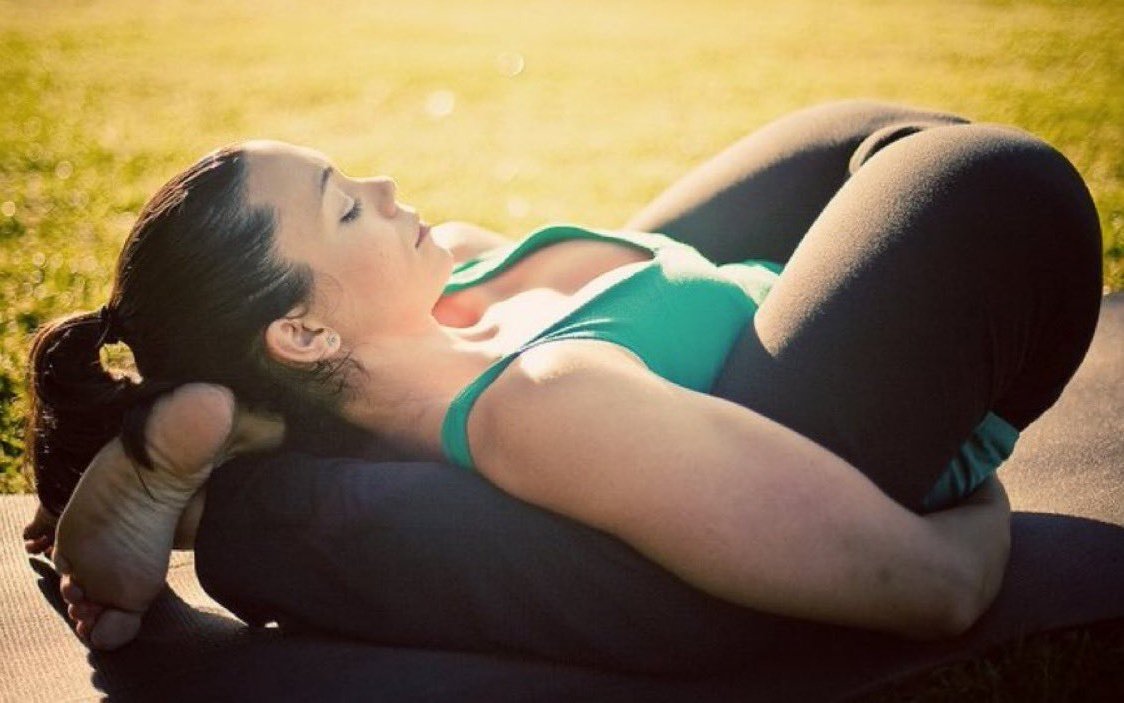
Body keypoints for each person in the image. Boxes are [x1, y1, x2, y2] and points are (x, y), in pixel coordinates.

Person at [22, 101, 1102, 656]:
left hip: (741, 310)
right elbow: (934, 590)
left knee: (912, 140)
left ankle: (202, 481)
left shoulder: (449, 272)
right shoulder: (546, 404)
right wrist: (978, 494)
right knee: (992, 180)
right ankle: (219, 503)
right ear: (302, 332)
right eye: (346, 206)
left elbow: (326, 379)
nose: (384, 185)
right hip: (846, 408)